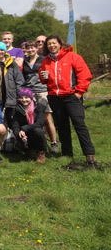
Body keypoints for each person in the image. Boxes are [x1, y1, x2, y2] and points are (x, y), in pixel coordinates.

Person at [40, 35, 97, 167]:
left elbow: (85, 75)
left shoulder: (73, 57)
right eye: (49, 44)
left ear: (60, 44)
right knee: (62, 126)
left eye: (54, 43)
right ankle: (67, 154)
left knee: (79, 124)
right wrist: (44, 77)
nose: (51, 46)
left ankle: (90, 155)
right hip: (55, 97)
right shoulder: (46, 61)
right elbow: (44, 78)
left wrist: (78, 93)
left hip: (71, 96)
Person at [21, 41, 59, 154]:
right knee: (32, 117)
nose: (31, 50)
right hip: (30, 93)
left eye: (33, 48)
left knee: (47, 118)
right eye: (28, 48)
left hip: (42, 91)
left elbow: (50, 73)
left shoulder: (43, 59)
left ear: (37, 49)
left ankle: (54, 142)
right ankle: (37, 144)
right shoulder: (25, 61)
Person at [0, 42, 24, 126]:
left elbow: (19, 79)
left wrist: (19, 94)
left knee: (11, 119)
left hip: (10, 95)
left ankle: (11, 137)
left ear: (5, 51)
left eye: (2, 50)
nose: (0, 52)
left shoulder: (12, 63)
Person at [10, 88, 47, 163]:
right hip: (24, 133)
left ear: (31, 98)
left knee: (38, 131)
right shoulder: (17, 109)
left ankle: (41, 152)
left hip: (35, 131)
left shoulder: (39, 106)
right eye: (21, 97)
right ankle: (29, 150)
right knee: (17, 134)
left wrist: (24, 128)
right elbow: (15, 125)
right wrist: (19, 132)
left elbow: (40, 123)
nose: (24, 100)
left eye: (26, 97)